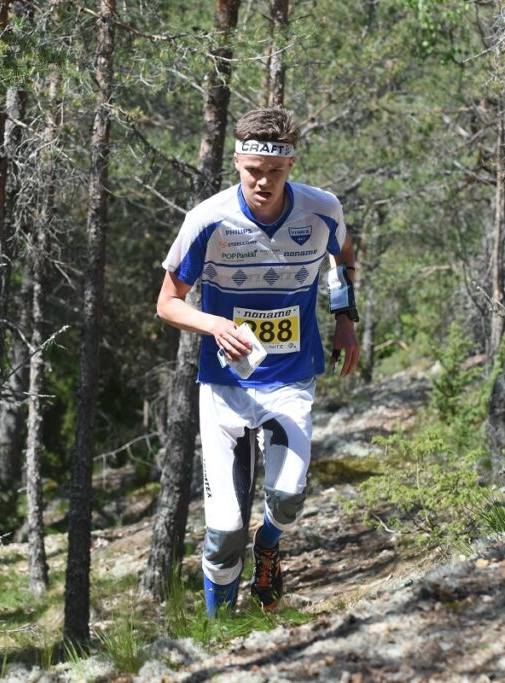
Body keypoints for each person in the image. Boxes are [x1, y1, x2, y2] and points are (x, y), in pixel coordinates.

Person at [157, 107, 360, 616]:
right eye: (252, 171)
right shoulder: (207, 219)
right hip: (225, 388)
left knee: (288, 498)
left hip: (290, 379)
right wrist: (214, 325)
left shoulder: (321, 209)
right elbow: (167, 303)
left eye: (274, 172)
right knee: (224, 531)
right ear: (237, 164)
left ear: (290, 166)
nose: (263, 183)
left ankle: (269, 545)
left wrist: (345, 319)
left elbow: (343, 255)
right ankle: (220, 632)